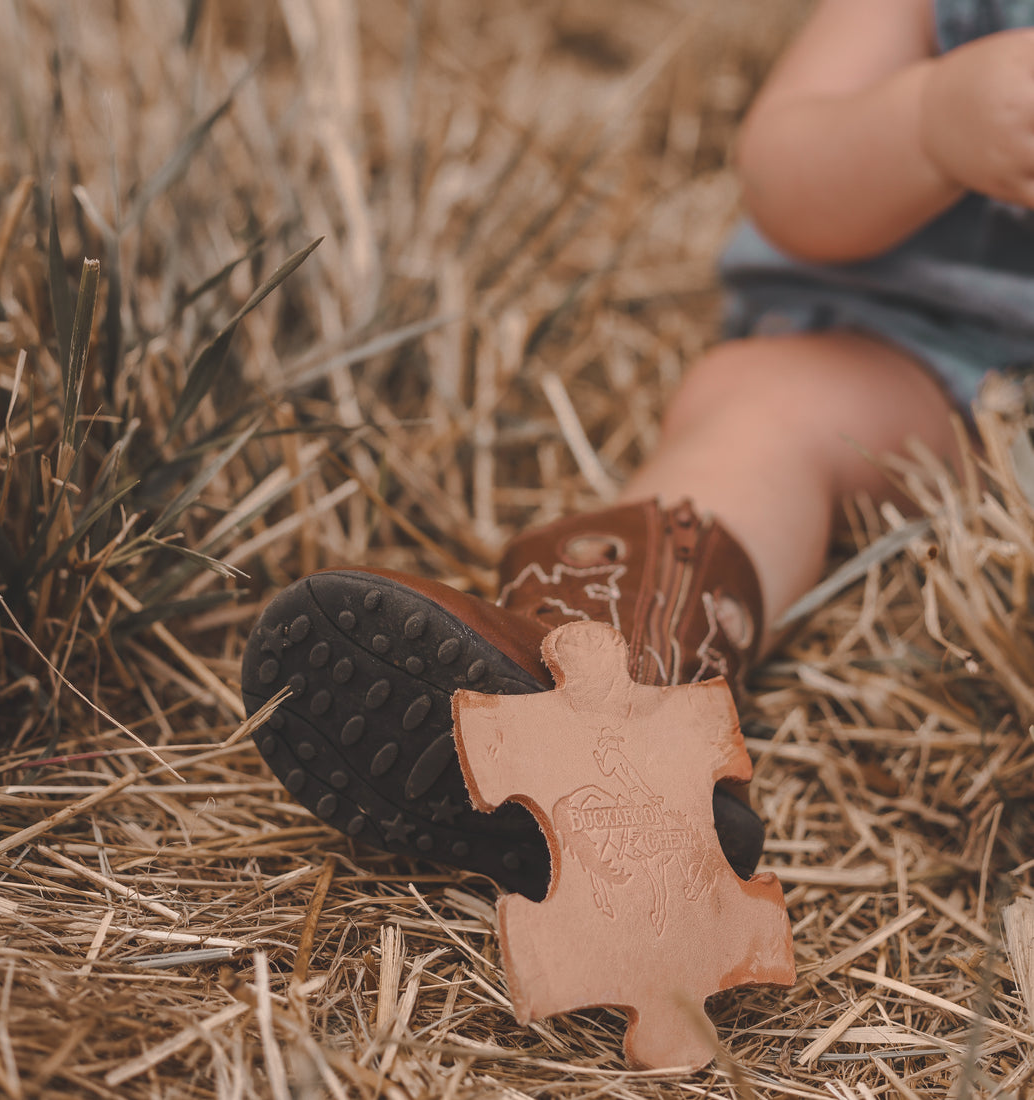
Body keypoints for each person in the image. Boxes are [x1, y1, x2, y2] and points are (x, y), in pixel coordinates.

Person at [241, 0, 1034, 901]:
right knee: (761, 412)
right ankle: (606, 692)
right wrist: (931, 122)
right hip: (916, 373)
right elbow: (785, 184)